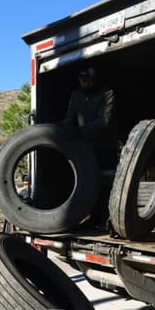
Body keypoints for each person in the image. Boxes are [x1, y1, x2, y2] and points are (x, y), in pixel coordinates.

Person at [60, 65, 119, 229]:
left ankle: (109, 220)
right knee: (89, 182)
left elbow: (105, 121)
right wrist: (61, 132)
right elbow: (70, 117)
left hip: (105, 146)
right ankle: (94, 218)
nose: (84, 83)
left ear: (94, 78)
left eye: (87, 79)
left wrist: (79, 131)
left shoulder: (107, 93)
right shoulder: (76, 94)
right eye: (81, 80)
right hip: (86, 147)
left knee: (107, 183)